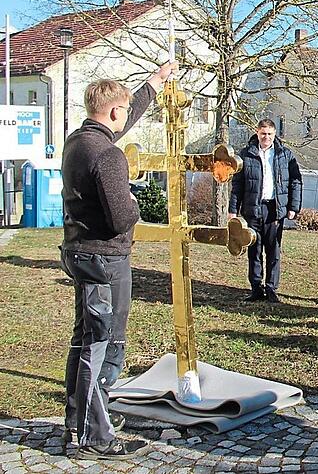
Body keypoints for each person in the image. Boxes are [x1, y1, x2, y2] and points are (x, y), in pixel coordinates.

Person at [60, 62, 176, 459]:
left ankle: (77, 422)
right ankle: (95, 434)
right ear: (113, 111)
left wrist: (154, 85)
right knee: (103, 344)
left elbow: (114, 132)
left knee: (84, 339)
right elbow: (121, 217)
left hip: (79, 251)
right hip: (105, 259)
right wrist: (132, 200)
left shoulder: (79, 141)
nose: (126, 118)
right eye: (124, 111)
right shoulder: (108, 155)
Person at [229, 119, 303, 303]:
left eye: (270, 134)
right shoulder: (246, 154)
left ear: (275, 134)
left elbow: (296, 181)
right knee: (254, 250)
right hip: (253, 208)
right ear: (257, 133)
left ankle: (271, 288)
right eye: (263, 134)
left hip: (274, 209)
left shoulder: (284, 154)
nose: (266, 137)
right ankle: (256, 288)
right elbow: (237, 184)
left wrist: (293, 207)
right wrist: (232, 210)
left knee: (273, 250)